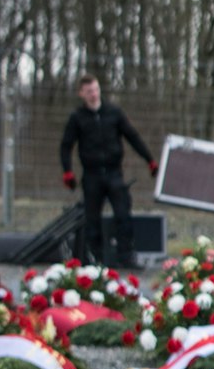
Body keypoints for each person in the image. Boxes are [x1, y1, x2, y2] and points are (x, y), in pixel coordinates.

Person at [60, 74, 156, 269]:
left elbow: (132, 136)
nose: (93, 94)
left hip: (114, 173)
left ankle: (126, 257)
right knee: (92, 219)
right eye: (89, 92)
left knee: (123, 214)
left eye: (95, 90)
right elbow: (66, 145)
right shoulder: (77, 117)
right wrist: (67, 171)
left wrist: (149, 160)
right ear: (82, 94)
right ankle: (95, 260)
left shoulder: (114, 112)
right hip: (91, 174)